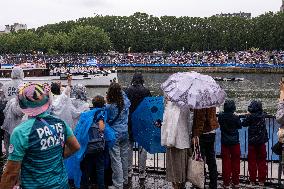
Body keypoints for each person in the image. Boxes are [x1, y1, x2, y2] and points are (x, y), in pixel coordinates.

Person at [0, 82, 80, 189]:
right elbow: (75, 147)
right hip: (61, 184)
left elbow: (10, 174)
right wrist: (53, 158)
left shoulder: (21, 132)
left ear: (22, 104)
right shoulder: (60, 123)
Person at [124, 73, 151, 180]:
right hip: (143, 122)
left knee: (129, 146)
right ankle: (142, 171)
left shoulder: (127, 90)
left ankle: (129, 170)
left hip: (130, 121)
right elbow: (150, 106)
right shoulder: (146, 91)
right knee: (142, 147)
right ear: (142, 80)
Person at [161, 99, 193, 189]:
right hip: (183, 140)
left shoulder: (169, 105)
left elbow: (165, 123)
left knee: (173, 169)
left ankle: (176, 185)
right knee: (182, 168)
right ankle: (180, 185)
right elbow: (189, 122)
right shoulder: (187, 105)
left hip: (171, 140)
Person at [106, 83, 131, 189]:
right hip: (125, 132)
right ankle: (125, 179)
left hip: (114, 135)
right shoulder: (126, 102)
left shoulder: (110, 106)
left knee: (116, 159)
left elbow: (107, 120)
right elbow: (124, 95)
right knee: (124, 157)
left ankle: (118, 184)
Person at [242, 100, 268, 187]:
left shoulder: (250, 117)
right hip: (261, 142)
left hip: (252, 143)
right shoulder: (263, 115)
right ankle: (262, 181)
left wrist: (247, 115)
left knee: (252, 162)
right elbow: (264, 112)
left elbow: (244, 124)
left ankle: (252, 180)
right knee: (262, 161)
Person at [192, 107, 219, 189]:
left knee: (200, 161)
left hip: (202, 134)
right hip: (212, 132)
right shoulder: (211, 100)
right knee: (211, 160)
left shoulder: (201, 103)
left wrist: (196, 134)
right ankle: (213, 183)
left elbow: (201, 119)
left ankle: (200, 183)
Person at [218, 100, 242, 188]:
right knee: (236, 163)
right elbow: (239, 126)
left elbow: (220, 122)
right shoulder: (235, 117)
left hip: (225, 143)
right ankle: (236, 182)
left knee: (226, 163)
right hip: (235, 142)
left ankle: (226, 183)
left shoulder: (221, 116)